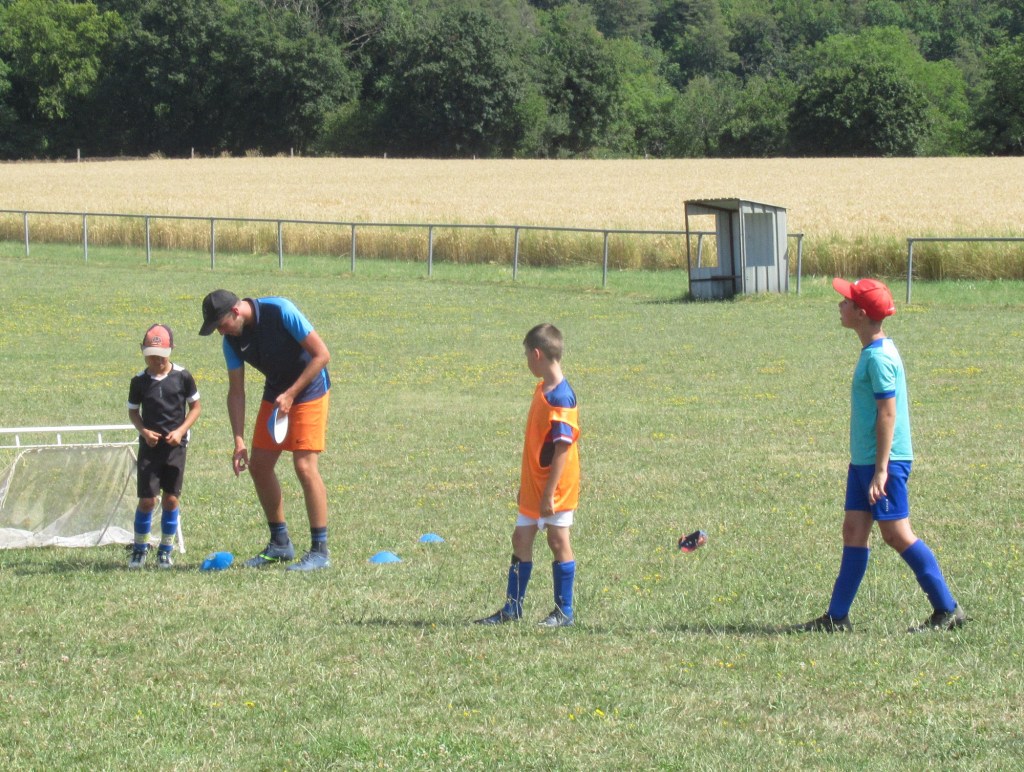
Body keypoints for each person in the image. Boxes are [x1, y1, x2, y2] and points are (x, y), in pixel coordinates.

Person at [792, 278, 966, 633]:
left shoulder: (880, 358)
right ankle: (836, 618)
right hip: (865, 461)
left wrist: (881, 470)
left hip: (884, 462)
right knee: (854, 531)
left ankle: (947, 609)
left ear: (860, 313)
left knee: (896, 534)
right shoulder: (873, 351)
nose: (840, 305)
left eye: (846, 301)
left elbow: (888, 413)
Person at [199, 289, 332, 571]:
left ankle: (320, 551)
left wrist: (292, 394)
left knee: (304, 466)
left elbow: (322, 355)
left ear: (236, 311)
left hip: (310, 389)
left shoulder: (280, 310)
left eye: (221, 325)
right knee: (259, 466)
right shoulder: (231, 342)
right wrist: (238, 440)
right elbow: (236, 392)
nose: (221, 332)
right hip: (277, 392)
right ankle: (280, 543)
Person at [476, 323, 581, 628]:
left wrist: (548, 493)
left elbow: (562, 450)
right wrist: (528, 486)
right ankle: (512, 609)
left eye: (526, 356)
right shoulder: (542, 390)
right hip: (535, 486)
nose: (526, 362)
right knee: (521, 538)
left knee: (558, 540)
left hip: (555, 488)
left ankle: (564, 612)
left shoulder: (562, 398)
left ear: (537, 355)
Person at [127, 324, 201, 569]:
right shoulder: (139, 381)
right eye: (151, 355)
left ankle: (166, 550)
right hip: (150, 449)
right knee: (147, 500)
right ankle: (139, 548)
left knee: (171, 499)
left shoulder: (183, 376)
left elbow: (196, 407)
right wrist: (144, 431)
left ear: (171, 350)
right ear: (142, 350)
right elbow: (133, 412)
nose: (156, 361)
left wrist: (180, 431)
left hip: (175, 448)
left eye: (161, 356)